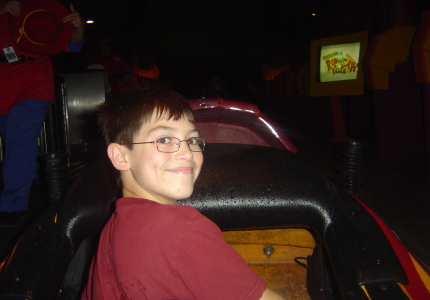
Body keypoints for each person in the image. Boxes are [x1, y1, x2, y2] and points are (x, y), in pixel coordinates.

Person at [81, 88, 286, 300]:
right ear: (121, 156)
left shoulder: (113, 228)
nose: (187, 152)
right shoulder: (179, 227)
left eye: (192, 140)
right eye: (163, 140)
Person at [0, 0, 85, 227]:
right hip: (3, 80)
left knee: (19, 139)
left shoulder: (41, 6)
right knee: (18, 143)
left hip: (34, 79)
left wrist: (77, 27)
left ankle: (13, 207)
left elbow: (71, 43)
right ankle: (51, 182)